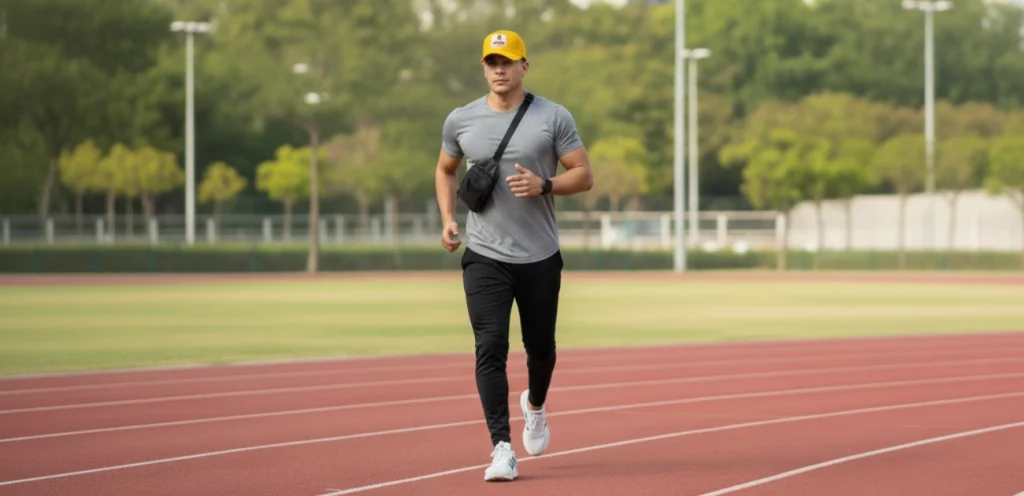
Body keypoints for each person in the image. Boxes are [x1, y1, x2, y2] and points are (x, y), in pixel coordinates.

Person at [433, 29, 594, 482]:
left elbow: (583, 175)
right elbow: (446, 169)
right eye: (491, 62)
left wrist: (545, 185)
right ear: (483, 68)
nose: (499, 69)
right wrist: (448, 218)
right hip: (485, 253)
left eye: (508, 61)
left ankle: (535, 405)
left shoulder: (553, 117)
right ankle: (501, 448)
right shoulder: (460, 120)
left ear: (525, 66)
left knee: (540, 349)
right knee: (490, 348)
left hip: (540, 253)